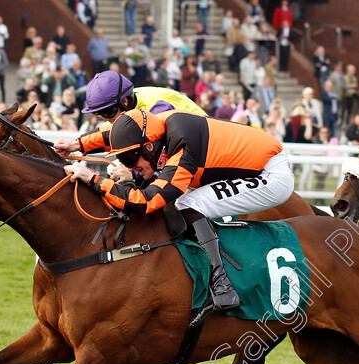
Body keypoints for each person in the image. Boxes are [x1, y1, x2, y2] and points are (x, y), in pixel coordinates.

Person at [65, 108, 295, 319]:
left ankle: (222, 286)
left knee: (188, 204)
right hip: (252, 160)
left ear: (150, 147)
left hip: (270, 175)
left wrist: (94, 179)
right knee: (182, 200)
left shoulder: (182, 148)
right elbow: (114, 135)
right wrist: (77, 145)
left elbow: (146, 202)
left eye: (129, 158)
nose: (129, 166)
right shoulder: (158, 125)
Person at [52, 71, 205, 181]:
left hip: (202, 154)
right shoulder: (128, 101)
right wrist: (76, 144)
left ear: (124, 102)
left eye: (109, 113)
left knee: (181, 204)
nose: (107, 119)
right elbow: (110, 132)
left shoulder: (157, 110)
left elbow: (161, 157)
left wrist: (134, 173)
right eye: (100, 114)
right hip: (187, 149)